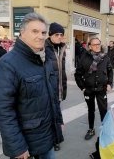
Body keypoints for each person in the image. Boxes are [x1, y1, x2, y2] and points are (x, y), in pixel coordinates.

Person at [0, 12, 63, 159]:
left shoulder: (44, 59)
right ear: (22, 33)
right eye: (35, 31)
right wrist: (18, 147)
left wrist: (58, 121)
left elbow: (52, 96)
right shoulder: (7, 64)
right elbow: (3, 111)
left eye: (43, 32)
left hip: (46, 138)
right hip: (25, 146)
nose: (41, 36)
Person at [75, 37, 113, 141]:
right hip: (88, 89)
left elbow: (110, 71)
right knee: (90, 110)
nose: (97, 46)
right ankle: (91, 129)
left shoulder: (105, 57)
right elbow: (78, 74)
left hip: (102, 89)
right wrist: (82, 87)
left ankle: (105, 130)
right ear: (90, 46)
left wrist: (110, 83)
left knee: (103, 110)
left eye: (98, 44)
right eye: (94, 44)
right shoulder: (84, 57)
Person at [45, 22, 68, 151]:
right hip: (49, 88)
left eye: (61, 35)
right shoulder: (45, 48)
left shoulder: (62, 48)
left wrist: (63, 88)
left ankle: (56, 138)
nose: (59, 37)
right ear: (50, 35)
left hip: (59, 89)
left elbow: (61, 70)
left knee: (57, 114)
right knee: (50, 115)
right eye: (56, 34)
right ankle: (54, 140)